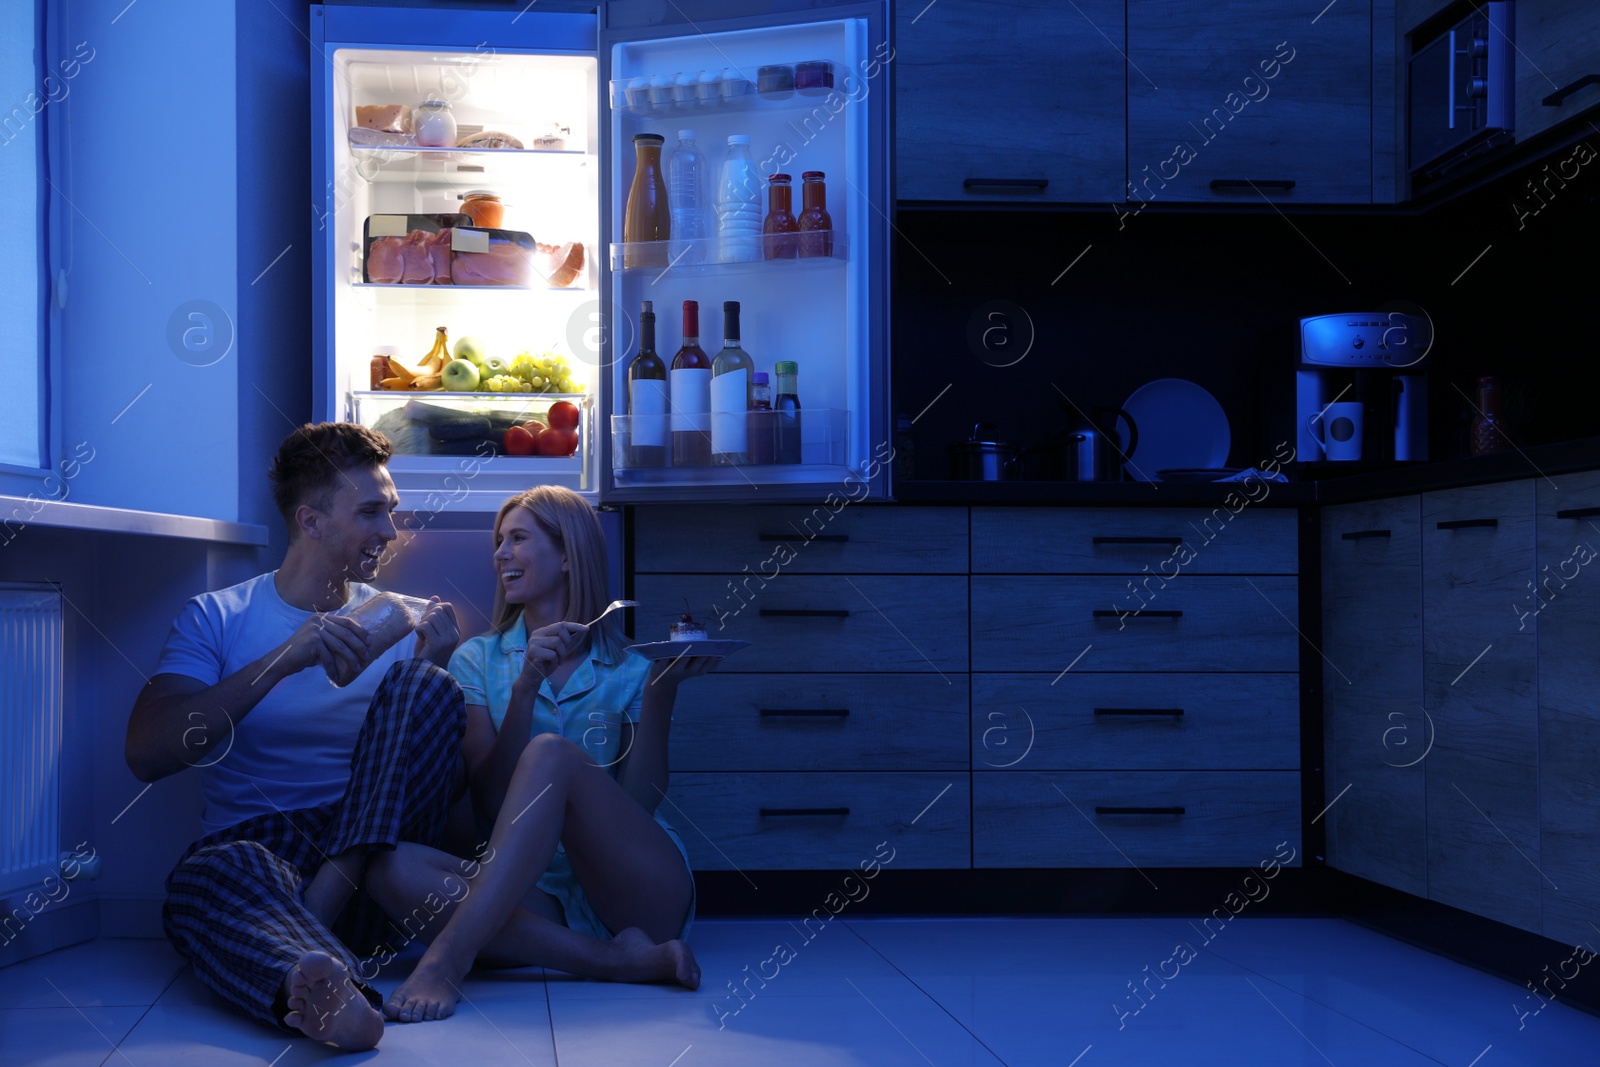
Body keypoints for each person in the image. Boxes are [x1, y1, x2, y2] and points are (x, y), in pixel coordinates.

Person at [124, 422, 464, 1051]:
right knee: (210, 874)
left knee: (425, 688)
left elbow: (455, 779)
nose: (390, 532)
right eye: (370, 512)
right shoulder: (219, 617)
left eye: (390, 511)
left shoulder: (409, 620)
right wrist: (286, 658)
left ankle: (314, 923)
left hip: (374, 866)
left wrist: (437, 669)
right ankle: (332, 992)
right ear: (311, 522)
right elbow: (148, 753)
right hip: (260, 855)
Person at [363, 485, 714, 1022]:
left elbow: (640, 803)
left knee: (551, 753)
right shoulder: (476, 660)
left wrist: (660, 692)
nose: (500, 553)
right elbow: (490, 798)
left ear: (569, 554)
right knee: (390, 869)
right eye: (499, 541)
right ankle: (615, 962)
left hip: (635, 891)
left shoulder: (633, 667)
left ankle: (448, 961)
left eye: (518, 539)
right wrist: (525, 688)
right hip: (535, 893)